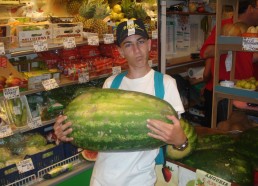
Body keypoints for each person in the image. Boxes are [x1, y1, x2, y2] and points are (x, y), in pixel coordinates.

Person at [54, 19, 191, 186]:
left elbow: (176, 140)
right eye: (128, 45)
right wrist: (67, 131)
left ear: (149, 44)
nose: (136, 50)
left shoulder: (165, 84)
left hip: (140, 181)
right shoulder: (111, 83)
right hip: (101, 179)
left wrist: (180, 141)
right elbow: (97, 129)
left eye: (140, 42)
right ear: (120, 51)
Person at [200, 0, 258, 127]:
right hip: (225, 94)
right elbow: (206, 53)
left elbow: (249, 57)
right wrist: (225, 45)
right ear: (250, 8)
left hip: (244, 92)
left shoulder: (252, 31)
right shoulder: (225, 26)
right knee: (225, 131)